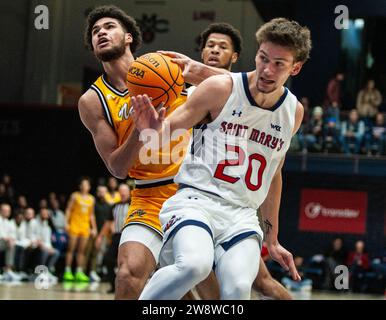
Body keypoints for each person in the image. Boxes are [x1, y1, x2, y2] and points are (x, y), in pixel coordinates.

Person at [133, 17, 311, 299]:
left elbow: (274, 173)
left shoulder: (293, 112)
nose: (267, 69)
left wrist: (272, 237)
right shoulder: (221, 88)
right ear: (256, 53)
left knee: (239, 289)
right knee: (194, 266)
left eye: (279, 64)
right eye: (263, 58)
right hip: (196, 200)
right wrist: (152, 130)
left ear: (296, 68)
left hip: (242, 214)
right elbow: (169, 127)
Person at [79, 5, 226, 299]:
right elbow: (117, 168)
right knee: (128, 274)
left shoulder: (168, 67)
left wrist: (201, 72)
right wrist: (139, 128)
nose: (101, 33)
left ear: (129, 36)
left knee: (211, 294)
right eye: (95, 32)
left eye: (108, 27)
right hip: (148, 196)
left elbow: (229, 90)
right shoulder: (93, 100)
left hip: (193, 192)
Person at [184, 22, 291, 300]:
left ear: (235, 57)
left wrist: (272, 234)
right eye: (210, 45)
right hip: (190, 194)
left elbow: (275, 170)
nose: (214, 50)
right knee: (186, 270)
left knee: (261, 283)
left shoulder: (242, 92)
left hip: (231, 202)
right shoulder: (187, 93)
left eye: (222, 46)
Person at [96, 183, 131, 293]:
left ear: (129, 192)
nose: (122, 193)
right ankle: (113, 285)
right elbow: (108, 223)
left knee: (128, 263)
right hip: (116, 236)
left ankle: (129, 287)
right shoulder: (114, 206)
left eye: (124, 191)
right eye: (121, 191)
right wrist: (100, 237)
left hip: (129, 236)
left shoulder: (134, 204)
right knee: (108, 260)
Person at [63, 177, 97, 282]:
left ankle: (79, 272)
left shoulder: (92, 199)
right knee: (71, 249)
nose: (85, 186)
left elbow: (91, 215)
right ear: (80, 186)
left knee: (81, 251)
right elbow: (68, 209)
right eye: (83, 184)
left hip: (85, 227)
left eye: (87, 185)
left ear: (89, 187)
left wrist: (94, 228)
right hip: (74, 225)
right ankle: (67, 271)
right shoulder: (75, 196)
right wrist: (66, 223)